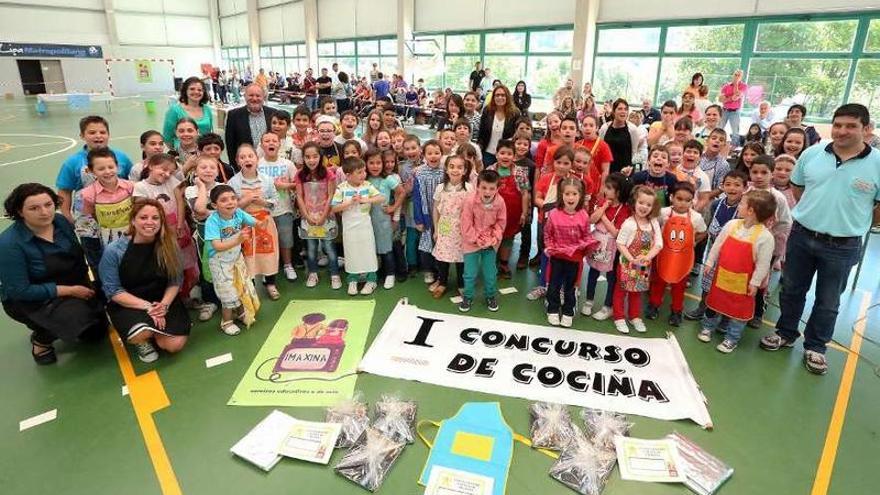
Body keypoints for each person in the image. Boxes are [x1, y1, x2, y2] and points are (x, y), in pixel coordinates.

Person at [760, 104, 880, 374]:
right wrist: (814, 215)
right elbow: (798, 187)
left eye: (851, 126)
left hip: (843, 244)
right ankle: (786, 332)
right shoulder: (812, 154)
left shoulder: (877, 163)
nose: (842, 131)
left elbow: (878, 208)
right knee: (792, 289)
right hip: (802, 235)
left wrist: (852, 223)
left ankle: (816, 346)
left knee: (828, 299)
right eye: (838, 125)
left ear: (866, 129)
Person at [0, 184, 107, 365]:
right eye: (34, 208)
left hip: (75, 287)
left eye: (48, 205)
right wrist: (70, 291)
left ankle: (69, 321)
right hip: (33, 300)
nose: (44, 212)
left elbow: (78, 260)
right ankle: (41, 340)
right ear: (19, 211)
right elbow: (20, 291)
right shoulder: (9, 244)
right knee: (78, 320)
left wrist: (88, 286)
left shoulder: (60, 222)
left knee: (97, 332)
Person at [99, 199, 192, 363]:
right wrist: (149, 308)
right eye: (143, 218)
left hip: (162, 299)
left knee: (174, 345)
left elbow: (175, 280)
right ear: (133, 221)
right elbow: (113, 290)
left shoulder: (169, 245)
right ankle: (143, 338)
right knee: (140, 333)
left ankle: (154, 329)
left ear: (161, 222)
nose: (150, 222)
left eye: (155, 218)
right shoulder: (114, 251)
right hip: (129, 303)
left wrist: (163, 305)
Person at [699, 189, 776, 353]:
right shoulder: (731, 225)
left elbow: (763, 265)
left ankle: (731, 338)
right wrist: (710, 262)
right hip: (721, 277)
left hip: (744, 284)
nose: (738, 205)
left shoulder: (765, 237)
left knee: (737, 314)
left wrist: (755, 283)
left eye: (742, 203)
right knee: (714, 304)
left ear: (750, 211)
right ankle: (707, 328)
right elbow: (717, 245)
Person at [685, 170, 748, 321]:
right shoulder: (715, 205)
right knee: (707, 280)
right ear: (722, 186)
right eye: (728, 184)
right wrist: (693, 242)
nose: (732, 188)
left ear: (745, 188)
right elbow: (706, 227)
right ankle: (703, 307)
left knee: (728, 284)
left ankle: (726, 317)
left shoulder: (745, 209)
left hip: (733, 255)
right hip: (713, 249)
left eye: (737, 185)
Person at [645, 182, 707, 327]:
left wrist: (693, 242)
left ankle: (676, 311)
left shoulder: (696, 217)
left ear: (693, 201)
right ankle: (654, 305)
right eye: (679, 199)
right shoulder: (664, 213)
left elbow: (703, 232)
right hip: (663, 256)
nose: (683, 203)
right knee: (658, 282)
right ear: (672, 197)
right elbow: (654, 228)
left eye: (688, 200)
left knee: (679, 286)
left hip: (683, 260)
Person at [203, 185, 261, 336]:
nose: (230, 202)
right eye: (224, 200)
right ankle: (226, 321)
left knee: (240, 286)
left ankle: (240, 312)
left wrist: (261, 223)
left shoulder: (238, 213)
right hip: (220, 262)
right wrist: (238, 240)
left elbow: (254, 221)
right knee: (228, 292)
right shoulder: (212, 221)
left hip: (235, 258)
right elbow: (217, 246)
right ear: (215, 205)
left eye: (233, 198)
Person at [227, 144, 281, 300]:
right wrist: (246, 200)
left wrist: (263, 202)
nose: (247, 159)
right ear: (238, 161)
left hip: (265, 222)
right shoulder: (233, 183)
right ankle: (250, 287)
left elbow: (275, 200)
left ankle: (271, 284)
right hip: (245, 224)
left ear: (257, 159)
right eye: (242, 157)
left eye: (250, 156)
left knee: (269, 253)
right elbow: (231, 206)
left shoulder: (267, 180)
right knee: (247, 255)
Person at [544, 178, 597, 328]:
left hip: (575, 259)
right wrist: (549, 247)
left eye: (574, 193)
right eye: (567, 193)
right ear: (561, 195)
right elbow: (548, 234)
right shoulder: (554, 214)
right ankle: (552, 309)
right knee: (554, 285)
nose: (570, 197)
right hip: (557, 257)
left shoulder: (584, 215)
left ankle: (568, 311)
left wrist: (588, 246)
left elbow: (586, 236)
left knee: (571, 287)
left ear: (580, 196)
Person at [331, 157, 385, 295]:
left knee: (368, 251)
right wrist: (349, 202)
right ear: (348, 175)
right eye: (359, 172)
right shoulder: (341, 188)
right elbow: (334, 208)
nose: (363, 174)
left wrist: (366, 199)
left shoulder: (367, 185)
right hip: (349, 228)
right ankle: (352, 280)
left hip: (365, 226)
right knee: (351, 253)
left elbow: (381, 198)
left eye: (364, 171)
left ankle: (371, 279)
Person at [613, 185, 663, 334]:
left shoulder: (653, 223)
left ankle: (634, 316)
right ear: (634, 202)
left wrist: (647, 257)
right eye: (641, 202)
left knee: (637, 291)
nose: (644, 207)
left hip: (644, 264)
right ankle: (619, 316)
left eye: (649, 204)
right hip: (626, 265)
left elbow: (659, 244)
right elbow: (620, 243)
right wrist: (631, 259)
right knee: (621, 291)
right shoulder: (629, 223)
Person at [583, 173, 631, 321]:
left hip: (612, 245)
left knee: (611, 277)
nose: (606, 190)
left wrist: (603, 216)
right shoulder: (601, 202)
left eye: (610, 188)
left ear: (619, 192)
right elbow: (591, 219)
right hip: (597, 241)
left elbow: (616, 232)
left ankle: (607, 306)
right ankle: (589, 300)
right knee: (593, 271)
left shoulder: (624, 209)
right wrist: (604, 207)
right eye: (606, 186)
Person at [295, 142, 342, 290]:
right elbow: (299, 196)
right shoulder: (300, 175)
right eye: (307, 157)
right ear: (303, 158)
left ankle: (335, 274)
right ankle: (312, 273)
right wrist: (306, 215)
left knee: (329, 246)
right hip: (308, 217)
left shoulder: (328, 174)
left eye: (315, 156)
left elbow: (331, 196)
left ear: (320, 157)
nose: (311, 160)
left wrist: (324, 215)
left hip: (326, 216)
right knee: (311, 247)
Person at [458, 169, 506, 313]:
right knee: (469, 273)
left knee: (490, 272)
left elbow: (500, 223)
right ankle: (467, 296)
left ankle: (490, 296)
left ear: (497, 189)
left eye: (492, 188)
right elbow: (466, 223)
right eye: (484, 187)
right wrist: (475, 239)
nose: (487, 191)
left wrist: (493, 238)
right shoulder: (470, 201)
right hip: (471, 242)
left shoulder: (500, 202)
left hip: (490, 243)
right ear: (477, 187)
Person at [257, 132, 298, 282]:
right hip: (263, 210)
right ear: (261, 145)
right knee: (265, 240)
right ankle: (267, 269)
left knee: (286, 238)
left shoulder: (288, 164)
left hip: (284, 208)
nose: (271, 143)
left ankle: (288, 265)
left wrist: (284, 185)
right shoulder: (257, 164)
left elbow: (296, 184)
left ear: (279, 144)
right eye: (266, 141)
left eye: (274, 141)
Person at [364, 150, 404, 290]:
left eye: (378, 163)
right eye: (371, 163)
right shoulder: (364, 179)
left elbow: (401, 192)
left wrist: (393, 207)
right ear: (365, 164)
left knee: (386, 249)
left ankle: (390, 274)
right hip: (366, 221)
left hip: (383, 221)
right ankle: (373, 275)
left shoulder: (388, 179)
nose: (375, 166)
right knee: (370, 249)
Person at [491, 140, 529, 279]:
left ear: (514, 156)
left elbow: (525, 193)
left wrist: (524, 213)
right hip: (492, 214)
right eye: (502, 153)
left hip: (512, 214)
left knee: (508, 239)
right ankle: (490, 263)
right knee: (493, 238)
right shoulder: (490, 170)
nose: (505, 157)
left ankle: (503, 264)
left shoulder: (519, 172)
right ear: (496, 154)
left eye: (509, 154)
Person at [412, 140, 447, 284]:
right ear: (424, 155)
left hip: (444, 216)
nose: (433, 156)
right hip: (427, 215)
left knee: (442, 243)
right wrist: (419, 219)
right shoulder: (420, 173)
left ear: (442, 154)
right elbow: (417, 198)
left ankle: (441, 271)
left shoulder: (445, 172)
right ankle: (428, 270)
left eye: (437, 153)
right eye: (429, 153)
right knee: (427, 244)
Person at [225, 84, 282, 168]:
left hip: (270, 164)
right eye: (251, 95)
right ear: (245, 96)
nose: (254, 99)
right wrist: (234, 166)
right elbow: (230, 144)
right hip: (246, 165)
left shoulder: (273, 113)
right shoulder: (233, 115)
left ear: (263, 97)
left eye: (258, 96)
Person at [163, 76, 214, 148]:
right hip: (183, 153)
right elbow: (167, 137)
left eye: (200, 90)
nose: (196, 92)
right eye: (192, 89)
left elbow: (210, 133)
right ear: (185, 91)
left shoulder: (207, 109)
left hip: (204, 151)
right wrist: (180, 151)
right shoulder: (174, 110)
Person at [478, 85, 520, 167]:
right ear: (493, 97)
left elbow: (517, 135)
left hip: (506, 156)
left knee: (504, 178)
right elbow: (481, 132)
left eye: (503, 95)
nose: (500, 97)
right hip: (487, 153)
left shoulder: (515, 113)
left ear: (507, 97)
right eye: (497, 95)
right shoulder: (487, 110)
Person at [599, 99, 643, 174]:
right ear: (613, 111)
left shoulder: (632, 129)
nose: (623, 111)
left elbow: (634, 151)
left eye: (625, 109)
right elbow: (601, 148)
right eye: (620, 109)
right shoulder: (604, 128)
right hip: (607, 170)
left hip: (625, 171)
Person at [719, 69, 747, 144]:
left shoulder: (743, 86)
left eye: (739, 75)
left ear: (741, 77)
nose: (736, 77)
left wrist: (736, 83)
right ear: (733, 75)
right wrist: (731, 98)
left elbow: (736, 96)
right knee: (719, 129)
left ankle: (735, 147)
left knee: (735, 131)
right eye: (735, 75)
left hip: (735, 111)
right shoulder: (726, 86)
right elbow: (721, 99)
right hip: (724, 110)